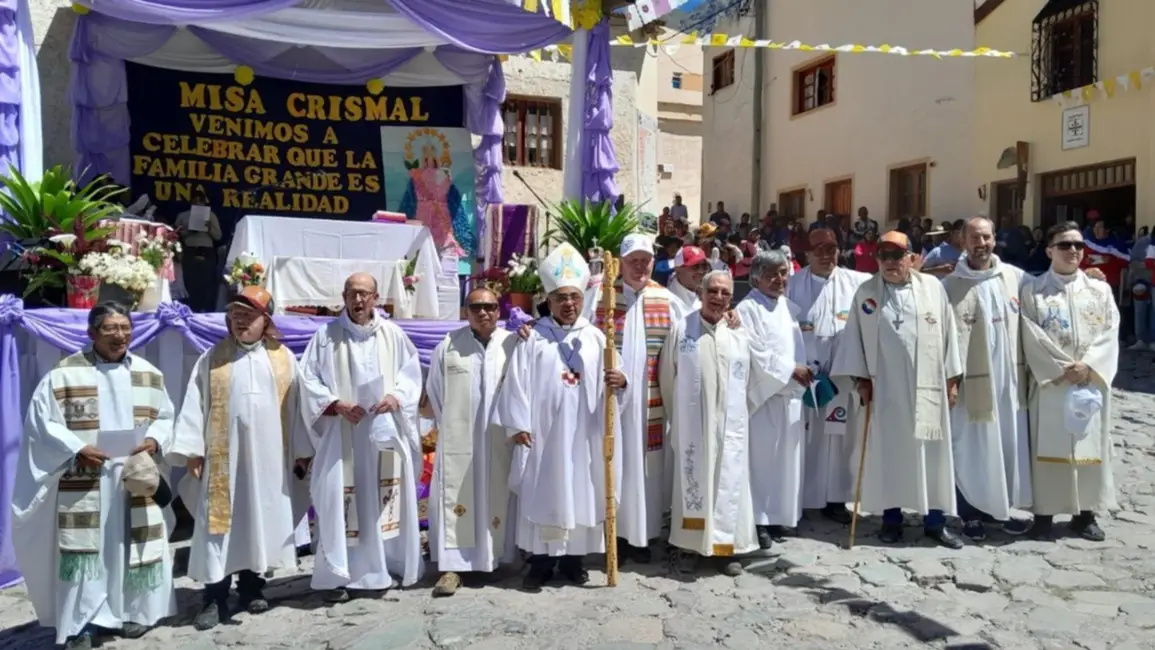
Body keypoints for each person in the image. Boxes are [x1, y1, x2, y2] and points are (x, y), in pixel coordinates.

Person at [14, 303, 176, 649]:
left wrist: (154, 440)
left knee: (129, 545)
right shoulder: (64, 375)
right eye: (110, 329)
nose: (120, 335)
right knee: (89, 552)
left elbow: (165, 417)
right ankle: (84, 623)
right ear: (91, 333)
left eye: (125, 328)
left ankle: (132, 612)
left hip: (132, 478)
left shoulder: (148, 374)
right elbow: (42, 423)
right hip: (87, 479)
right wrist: (77, 448)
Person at [168, 286, 309, 629]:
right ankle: (214, 597)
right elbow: (195, 403)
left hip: (269, 460)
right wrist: (192, 451)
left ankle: (251, 587)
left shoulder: (283, 359)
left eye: (248, 316)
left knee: (258, 520)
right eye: (235, 315)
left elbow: (298, 409)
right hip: (223, 462)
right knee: (219, 527)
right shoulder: (213, 358)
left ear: (266, 321)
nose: (240, 321)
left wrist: (302, 452)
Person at [493, 243, 622, 591]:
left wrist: (620, 381)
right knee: (544, 491)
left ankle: (573, 561)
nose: (569, 304)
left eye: (574, 297)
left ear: (582, 299)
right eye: (561, 298)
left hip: (584, 434)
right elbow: (516, 381)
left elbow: (617, 380)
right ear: (548, 301)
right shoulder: (533, 337)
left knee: (580, 490)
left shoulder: (596, 338)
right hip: (544, 435)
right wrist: (518, 424)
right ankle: (540, 562)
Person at [831, 231, 964, 549]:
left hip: (928, 389)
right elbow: (854, 342)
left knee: (932, 456)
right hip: (886, 392)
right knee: (888, 455)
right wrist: (862, 381)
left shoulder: (933, 288)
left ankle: (935, 522)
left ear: (912, 258)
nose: (890, 262)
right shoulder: (867, 293)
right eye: (883, 256)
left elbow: (949, 334)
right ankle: (891, 520)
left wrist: (952, 380)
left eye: (897, 255)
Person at [298, 273, 424, 601]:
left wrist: (395, 397)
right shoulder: (326, 336)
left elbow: (410, 375)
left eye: (365, 294)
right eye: (353, 293)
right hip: (343, 435)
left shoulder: (393, 335)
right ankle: (343, 573)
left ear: (375, 298)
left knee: (384, 497)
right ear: (343, 296)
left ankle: (390, 565)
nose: (358, 300)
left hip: (383, 433)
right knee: (342, 499)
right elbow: (307, 380)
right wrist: (335, 404)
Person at [1020, 222, 1120, 541]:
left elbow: (1110, 330)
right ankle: (1044, 515)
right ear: (1050, 250)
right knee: (1048, 449)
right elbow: (1030, 333)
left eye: (1078, 245)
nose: (1073, 250)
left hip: (1090, 381)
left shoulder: (1099, 290)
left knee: (1090, 446)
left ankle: (1085, 515)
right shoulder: (1033, 290)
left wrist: (1089, 365)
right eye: (1065, 245)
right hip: (1053, 382)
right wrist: (1062, 368)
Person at [660, 271, 765, 575]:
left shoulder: (739, 333)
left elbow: (757, 375)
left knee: (728, 482)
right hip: (694, 425)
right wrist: (678, 417)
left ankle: (725, 548)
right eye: (713, 291)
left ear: (732, 298)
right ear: (700, 293)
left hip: (730, 426)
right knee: (693, 481)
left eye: (725, 293)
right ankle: (689, 546)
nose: (718, 298)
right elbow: (667, 377)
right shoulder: (682, 329)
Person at [586, 235, 678, 563]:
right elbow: (581, 335)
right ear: (620, 262)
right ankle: (611, 535)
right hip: (609, 400)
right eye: (633, 260)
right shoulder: (601, 297)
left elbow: (690, 333)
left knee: (645, 472)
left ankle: (641, 537)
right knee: (612, 465)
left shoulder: (665, 299)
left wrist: (731, 319)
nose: (640, 266)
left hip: (650, 405)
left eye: (645, 260)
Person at [941, 218, 1033, 542]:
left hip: (1008, 381)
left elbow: (1050, 291)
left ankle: (999, 509)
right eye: (974, 238)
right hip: (971, 386)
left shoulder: (1016, 278)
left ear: (995, 239)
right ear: (963, 242)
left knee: (1005, 443)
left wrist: (1088, 276)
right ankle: (969, 513)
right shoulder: (950, 286)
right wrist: (950, 380)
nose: (981, 244)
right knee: (971, 447)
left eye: (986, 237)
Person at [423, 288, 518, 596]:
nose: (483, 312)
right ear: (466, 311)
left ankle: (497, 559)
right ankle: (453, 568)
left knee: (498, 494)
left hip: (499, 440)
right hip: (459, 440)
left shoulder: (512, 344)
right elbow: (435, 392)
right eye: (475, 307)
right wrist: (454, 425)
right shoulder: (449, 345)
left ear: (499, 311)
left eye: (489, 307)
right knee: (455, 497)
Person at [786, 229, 871, 525]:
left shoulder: (858, 283)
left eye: (831, 249)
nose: (825, 255)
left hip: (843, 378)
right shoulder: (792, 285)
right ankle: (803, 497)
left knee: (841, 440)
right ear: (807, 254)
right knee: (808, 439)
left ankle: (836, 498)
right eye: (818, 250)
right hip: (805, 378)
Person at [735, 251, 809, 547]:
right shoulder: (748, 308)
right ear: (756, 278)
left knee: (785, 462)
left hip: (790, 395)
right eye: (771, 274)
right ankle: (758, 520)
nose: (779, 279)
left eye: (783, 273)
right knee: (762, 461)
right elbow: (754, 351)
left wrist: (805, 370)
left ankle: (779, 516)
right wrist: (790, 369)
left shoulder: (785, 306)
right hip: (764, 398)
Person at [174, 191, 223, 313]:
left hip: (206, 250)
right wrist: (188, 231)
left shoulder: (211, 215)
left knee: (206, 281)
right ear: (190, 202)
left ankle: (205, 308)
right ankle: (190, 307)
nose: (197, 203)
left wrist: (209, 228)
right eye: (195, 201)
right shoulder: (183, 215)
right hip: (189, 250)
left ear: (204, 203)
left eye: (200, 201)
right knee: (189, 280)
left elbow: (218, 236)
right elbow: (175, 234)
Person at [669, 245, 709, 312]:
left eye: (704, 266)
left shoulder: (702, 296)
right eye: (695, 266)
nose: (701, 271)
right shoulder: (669, 303)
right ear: (678, 270)